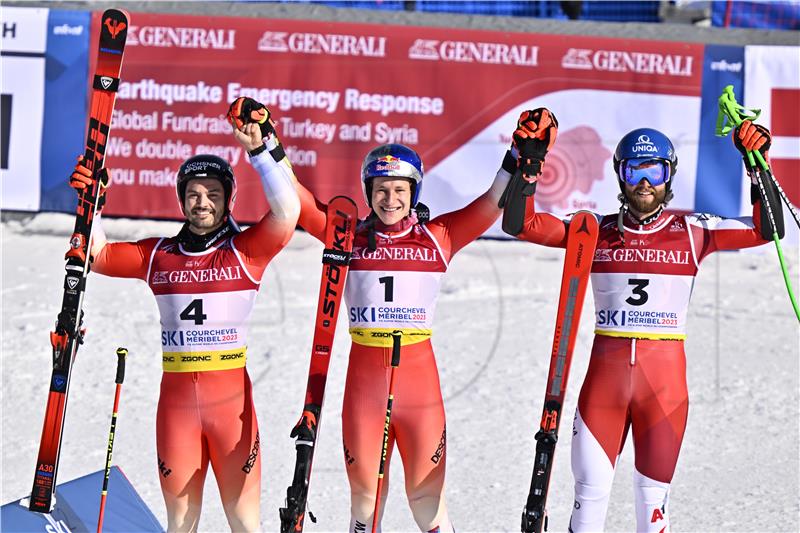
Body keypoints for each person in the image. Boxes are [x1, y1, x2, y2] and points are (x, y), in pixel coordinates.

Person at [232, 96, 556, 532]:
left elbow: (490, 204)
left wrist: (519, 154)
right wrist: (263, 144)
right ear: (368, 192)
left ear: (414, 193)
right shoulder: (347, 235)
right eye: (381, 190)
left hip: (419, 388)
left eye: (400, 190)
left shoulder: (438, 237)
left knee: (427, 501)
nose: (390, 200)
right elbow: (301, 203)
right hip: (365, 384)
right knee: (365, 501)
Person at [503, 115, 784, 532]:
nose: (645, 182)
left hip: (664, 394)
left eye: (655, 170)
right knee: (588, 503)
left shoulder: (693, 232)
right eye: (635, 170)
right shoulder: (593, 231)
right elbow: (519, 224)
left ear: (668, 175)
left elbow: (769, 228)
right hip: (604, 390)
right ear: (621, 175)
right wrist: (528, 161)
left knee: (652, 512)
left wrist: (757, 165)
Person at [68, 103, 300, 532]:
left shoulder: (246, 251)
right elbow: (96, 256)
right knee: (180, 524)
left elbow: (287, 212)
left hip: (232, 408)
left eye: (212, 193)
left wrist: (260, 151)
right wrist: (92, 201)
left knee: (246, 525)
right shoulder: (158, 255)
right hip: (176, 410)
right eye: (193, 193)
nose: (202, 202)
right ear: (181, 199)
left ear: (228, 198)